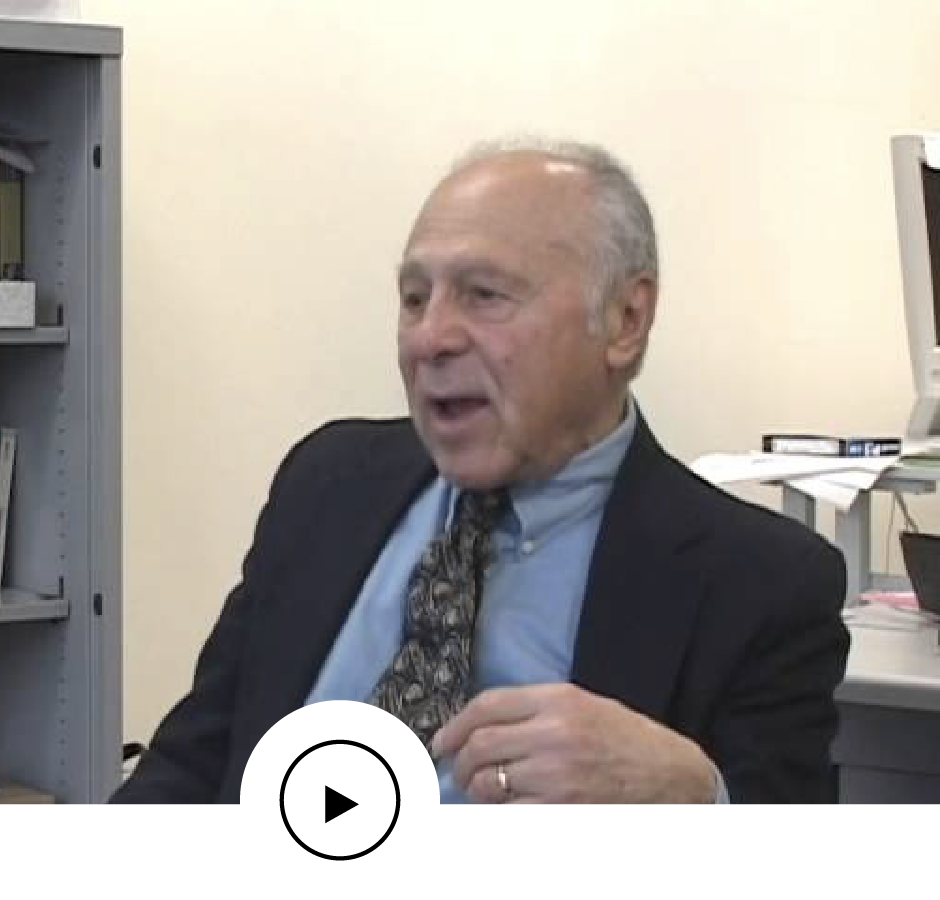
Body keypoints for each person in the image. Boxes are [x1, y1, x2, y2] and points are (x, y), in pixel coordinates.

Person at [112, 137, 850, 804]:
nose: (429, 338)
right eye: (413, 298)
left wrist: (697, 802)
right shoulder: (327, 484)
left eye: (484, 295)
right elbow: (189, 766)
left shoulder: (760, 584)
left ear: (625, 320)